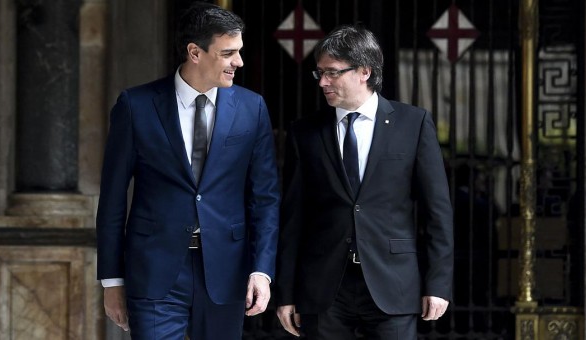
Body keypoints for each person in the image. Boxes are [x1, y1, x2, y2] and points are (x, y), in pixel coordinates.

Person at [96, 2, 280, 339]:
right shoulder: (135, 106)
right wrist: (112, 280)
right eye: (228, 53)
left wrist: (262, 270)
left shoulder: (252, 108)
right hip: (155, 270)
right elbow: (111, 199)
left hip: (227, 268)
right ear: (195, 52)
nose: (238, 62)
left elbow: (265, 198)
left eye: (239, 51)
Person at [274, 25, 453, 339]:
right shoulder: (305, 133)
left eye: (331, 73)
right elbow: (293, 218)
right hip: (324, 287)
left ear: (364, 71)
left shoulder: (413, 124)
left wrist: (437, 284)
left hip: (393, 283)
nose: (323, 82)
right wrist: (287, 292)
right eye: (319, 73)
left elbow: (437, 212)